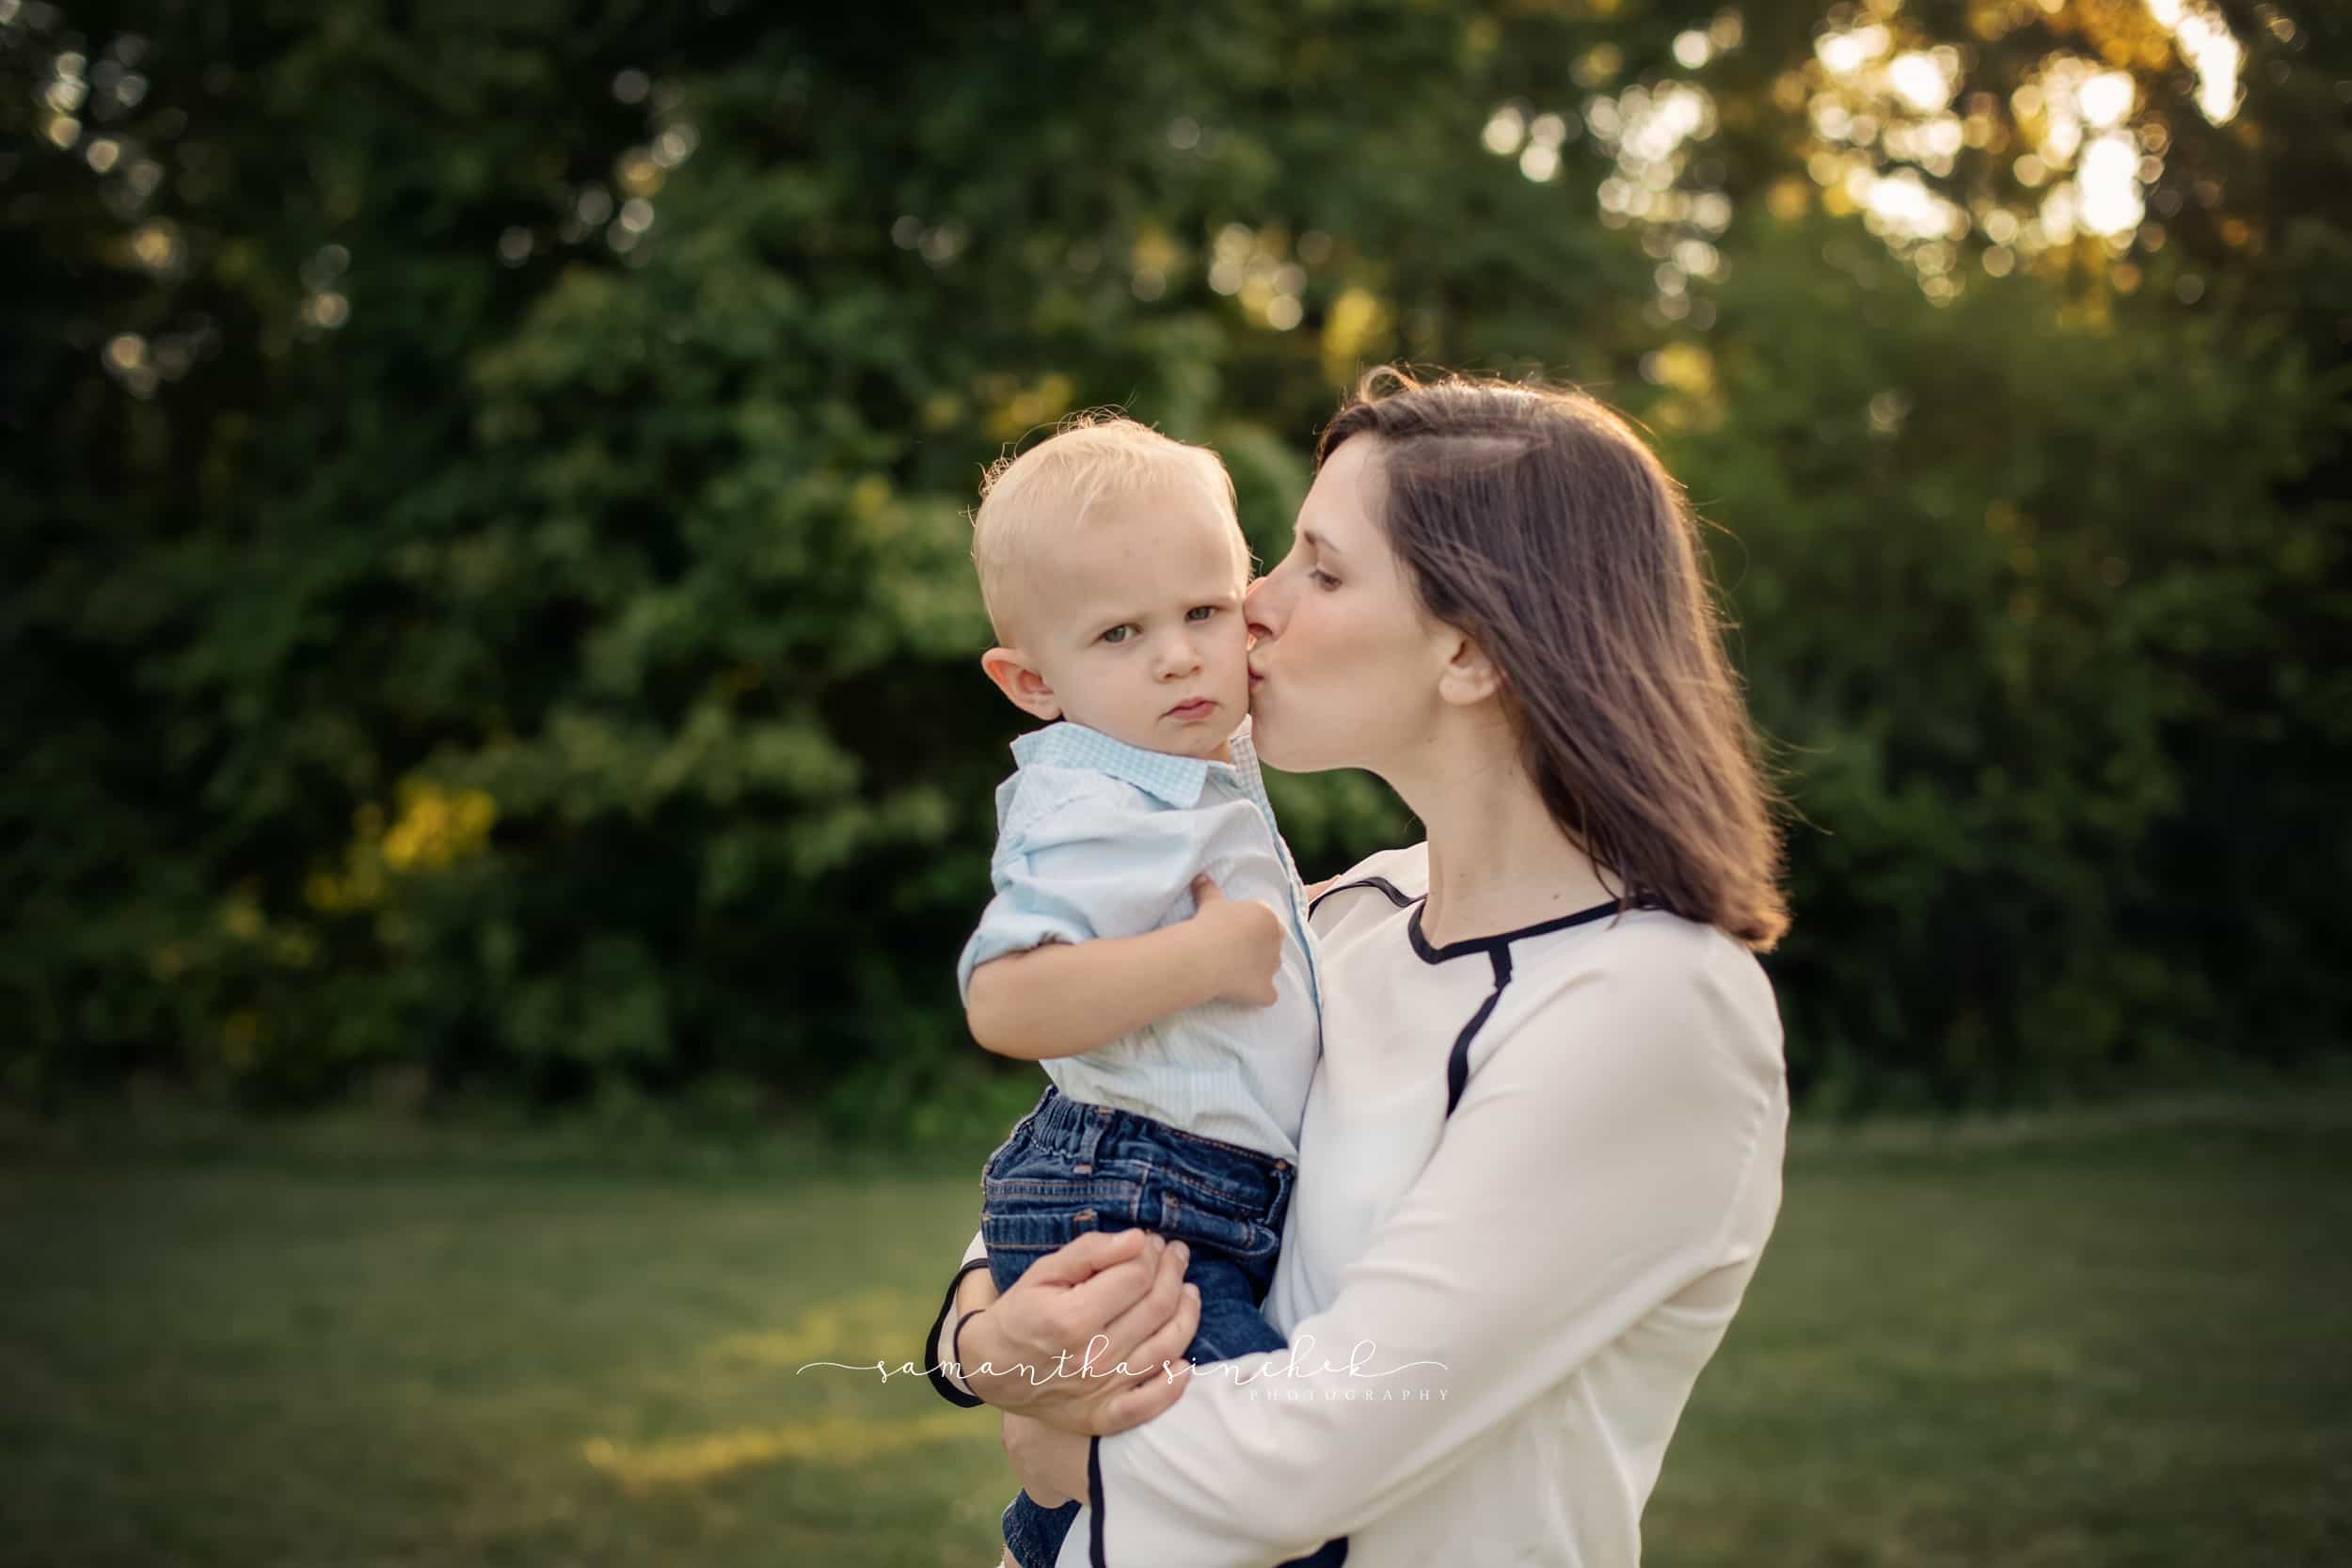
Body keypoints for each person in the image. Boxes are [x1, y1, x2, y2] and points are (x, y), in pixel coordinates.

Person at [922, 370, 1793, 1568]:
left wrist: (1060, 1449)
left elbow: (1327, 1439)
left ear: (1471, 651)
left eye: (1318, 570)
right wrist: (981, 1346)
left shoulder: (1652, 1003)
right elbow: (1113, 1140)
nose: (1250, 606)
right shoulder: (1344, 914)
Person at [957, 415, 1348, 1568]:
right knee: (1274, 1508)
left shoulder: (1181, 766)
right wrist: (1215, 957)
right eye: (1120, 630)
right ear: (1031, 681)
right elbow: (1006, 1001)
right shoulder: (1093, 799)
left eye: (1203, 610)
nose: (1178, 654)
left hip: (1184, 1194)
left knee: (1139, 1498)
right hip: (1138, 1202)